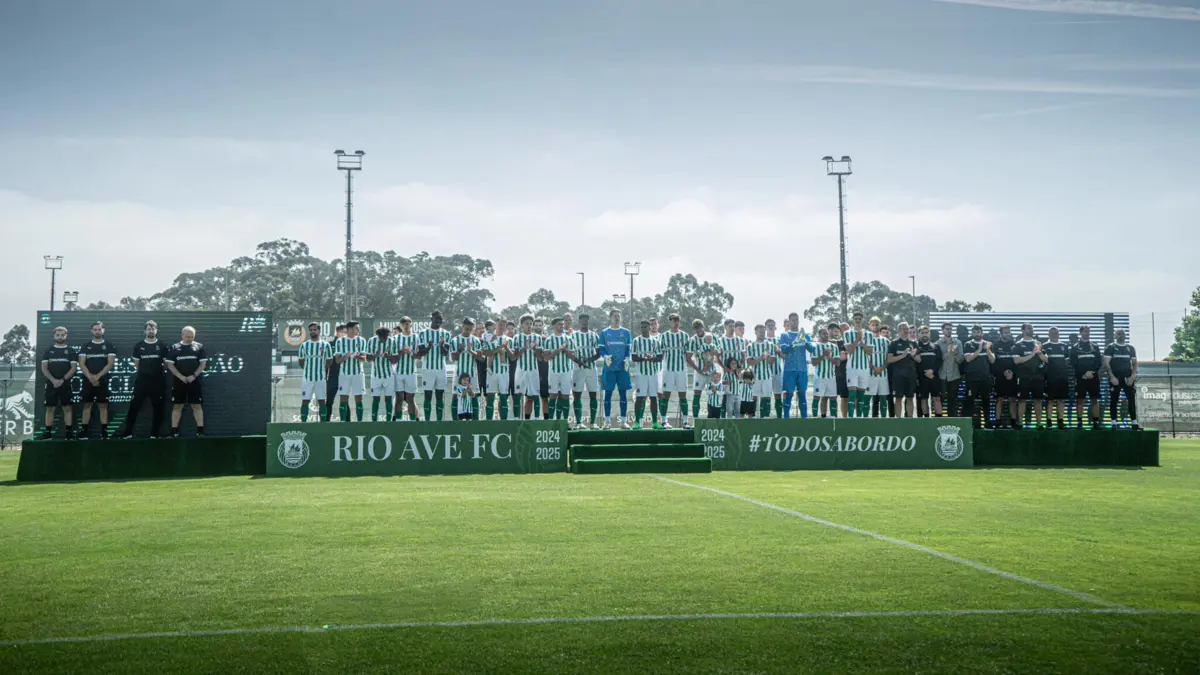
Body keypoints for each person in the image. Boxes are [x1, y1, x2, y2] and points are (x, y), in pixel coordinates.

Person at [121, 320, 170, 438]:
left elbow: (166, 364)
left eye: (153, 329)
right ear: (145, 331)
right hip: (142, 381)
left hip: (158, 381)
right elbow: (137, 364)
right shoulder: (139, 346)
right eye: (149, 329)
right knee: (134, 406)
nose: (151, 331)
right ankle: (128, 432)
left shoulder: (162, 345)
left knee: (158, 407)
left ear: (156, 330)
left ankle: (155, 434)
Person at [77, 321, 117, 439]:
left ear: (103, 330)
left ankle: (104, 431)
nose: (97, 331)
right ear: (91, 331)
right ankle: (84, 431)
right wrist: (90, 377)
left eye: (99, 329)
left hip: (103, 381)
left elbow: (110, 364)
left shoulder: (109, 345)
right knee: (87, 405)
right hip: (87, 380)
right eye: (95, 329)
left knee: (103, 406)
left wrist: (97, 377)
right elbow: (81, 363)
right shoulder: (86, 345)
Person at [165, 326, 207, 437]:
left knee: (196, 405)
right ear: (182, 335)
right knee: (177, 406)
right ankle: (174, 431)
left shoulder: (199, 347)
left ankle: (200, 431)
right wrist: (181, 377)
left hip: (194, 381)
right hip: (179, 382)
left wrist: (194, 375)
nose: (190, 339)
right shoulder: (174, 347)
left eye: (192, 336)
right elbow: (170, 364)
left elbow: (202, 364)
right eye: (188, 336)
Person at [39, 326, 78, 440]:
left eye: (62, 335)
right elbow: (44, 368)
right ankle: (48, 433)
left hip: (65, 384)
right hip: (52, 384)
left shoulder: (71, 351)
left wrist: (62, 380)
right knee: (50, 408)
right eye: (58, 335)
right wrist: (53, 380)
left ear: (66, 336)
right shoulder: (48, 351)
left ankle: (69, 433)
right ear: (54, 336)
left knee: (67, 408)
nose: (60, 337)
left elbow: (73, 368)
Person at [598, 309, 633, 429]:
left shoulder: (627, 332)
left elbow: (628, 349)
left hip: (623, 368)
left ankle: (623, 422)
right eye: (615, 316)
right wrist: (605, 356)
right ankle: (607, 422)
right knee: (608, 394)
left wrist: (627, 358)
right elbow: (601, 350)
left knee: (623, 394)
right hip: (609, 369)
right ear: (610, 317)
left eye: (619, 316)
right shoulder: (604, 332)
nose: (617, 318)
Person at [416, 311, 453, 422]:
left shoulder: (446, 334)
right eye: (436, 318)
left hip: (441, 369)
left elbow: (445, 353)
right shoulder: (423, 333)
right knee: (427, 395)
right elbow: (421, 352)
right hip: (428, 369)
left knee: (440, 395)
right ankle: (427, 421)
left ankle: (439, 421)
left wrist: (441, 345)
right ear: (431, 318)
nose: (438, 321)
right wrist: (429, 347)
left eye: (440, 319)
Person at [569, 314, 602, 428]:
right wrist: (577, 360)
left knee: (593, 394)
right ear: (579, 322)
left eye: (586, 320)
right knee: (577, 395)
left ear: (588, 322)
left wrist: (589, 359)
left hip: (591, 369)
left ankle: (592, 423)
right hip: (577, 369)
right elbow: (569, 353)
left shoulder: (594, 335)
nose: (584, 322)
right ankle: (579, 422)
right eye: (582, 320)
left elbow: (598, 353)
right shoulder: (573, 335)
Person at [296, 322, 333, 423]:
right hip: (307, 378)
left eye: (314, 330)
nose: (313, 331)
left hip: (320, 378)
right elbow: (301, 360)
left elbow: (329, 360)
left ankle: (323, 423)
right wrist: (307, 370)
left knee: (322, 401)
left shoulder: (325, 345)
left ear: (319, 331)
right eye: (311, 330)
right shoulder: (304, 345)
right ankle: (304, 423)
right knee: (305, 401)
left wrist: (322, 370)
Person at [779, 313, 814, 419]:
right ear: (789, 322)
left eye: (797, 320)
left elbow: (812, 349)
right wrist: (796, 341)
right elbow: (784, 350)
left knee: (802, 395)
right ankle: (786, 421)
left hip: (802, 370)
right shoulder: (785, 335)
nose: (795, 322)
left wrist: (804, 341)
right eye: (793, 320)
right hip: (789, 370)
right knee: (789, 395)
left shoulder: (805, 334)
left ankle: (805, 420)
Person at [630, 319, 664, 429]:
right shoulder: (636, 341)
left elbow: (660, 357)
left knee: (653, 398)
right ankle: (637, 422)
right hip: (641, 375)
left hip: (653, 374)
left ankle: (655, 422)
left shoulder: (655, 341)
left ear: (649, 328)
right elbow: (634, 357)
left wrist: (652, 358)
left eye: (645, 327)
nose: (643, 329)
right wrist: (644, 358)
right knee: (640, 398)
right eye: (642, 327)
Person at [658, 313, 690, 428]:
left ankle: (686, 422)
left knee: (683, 396)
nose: (676, 322)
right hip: (668, 370)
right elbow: (660, 354)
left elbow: (688, 354)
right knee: (665, 395)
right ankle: (663, 421)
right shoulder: (664, 336)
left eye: (677, 320)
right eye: (673, 320)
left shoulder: (685, 336)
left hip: (681, 370)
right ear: (669, 322)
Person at [1012, 323, 1047, 429]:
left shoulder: (1038, 344)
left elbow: (1046, 359)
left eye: (1032, 328)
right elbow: (1017, 360)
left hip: (1038, 377)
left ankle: (1039, 422)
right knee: (1022, 399)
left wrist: (1039, 353)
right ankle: (1020, 422)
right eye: (1028, 328)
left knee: (1038, 400)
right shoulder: (1018, 344)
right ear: (1022, 331)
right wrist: (1032, 355)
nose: (1031, 330)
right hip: (1024, 377)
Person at [541, 318, 576, 422]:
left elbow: (573, 356)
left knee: (565, 396)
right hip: (553, 372)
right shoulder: (549, 340)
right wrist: (559, 350)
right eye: (559, 324)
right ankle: (551, 421)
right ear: (553, 326)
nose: (561, 326)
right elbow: (546, 358)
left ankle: (564, 421)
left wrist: (564, 349)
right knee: (553, 395)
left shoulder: (568, 339)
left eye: (562, 324)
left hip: (566, 372)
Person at [1104, 328, 1139, 429]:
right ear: (1115, 336)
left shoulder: (1130, 348)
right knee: (1114, 399)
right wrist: (1112, 377)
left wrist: (1132, 377)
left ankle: (1134, 422)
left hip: (1127, 378)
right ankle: (1114, 422)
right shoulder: (1110, 347)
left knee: (1131, 399)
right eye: (1118, 334)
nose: (1121, 335)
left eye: (1122, 334)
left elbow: (1135, 364)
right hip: (1115, 378)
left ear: (1125, 335)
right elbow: (1106, 364)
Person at [961, 324, 995, 429]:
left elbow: (992, 360)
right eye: (975, 332)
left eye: (978, 331)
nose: (977, 333)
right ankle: (969, 424)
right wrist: (979, 350)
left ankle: (988, 423)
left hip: (985, 378)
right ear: (972, 333)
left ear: (982, 333)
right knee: (970, 401)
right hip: (972, 379)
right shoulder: (968, 344)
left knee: (986, 401)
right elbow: (968, 359)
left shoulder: (988, 344)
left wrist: (988, 350)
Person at [1070, 325, 1104, 429]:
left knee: (1094, 400)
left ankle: (1096, 422)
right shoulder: (1075, 347)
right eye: (1085, 331)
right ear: (1081, 333)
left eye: (1089, 331)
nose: (1087, 333)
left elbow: (1099, 361)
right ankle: (1080, 422)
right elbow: (1073, 363)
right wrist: (1083, 374)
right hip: (1081, 379)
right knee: (1080, 400)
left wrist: (1092, 372)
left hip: (1093, 378)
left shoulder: (1095, 346)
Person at [333, 321, 368, 422]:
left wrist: (357, 356)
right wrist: (345, 357)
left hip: (358, 373)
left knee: (359, 399)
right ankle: (343, 422)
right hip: (344, 374)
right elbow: (337, 360)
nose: (358, 330)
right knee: (343, 398)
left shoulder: (361, 340)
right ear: (349, 329)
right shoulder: (340, 341)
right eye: (356, 328)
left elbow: (364, 358)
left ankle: (359, 422)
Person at [509, 314, 543, 421]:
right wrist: (524, 348)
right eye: (526, 324)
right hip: (521, 370)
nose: (529, 326)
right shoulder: (517, 337)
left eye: (530, 324)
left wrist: (534, 349)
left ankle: (537, 418)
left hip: (533, 370)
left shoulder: (537, 338)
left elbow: (540, 358)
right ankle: (516, 419)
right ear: (521, 325)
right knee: (518, 394)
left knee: (535, 394)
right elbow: (514, 357)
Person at [388, 317, 421, 422]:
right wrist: (401, 352)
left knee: (410, 398)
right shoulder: (396, 338)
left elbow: (418, 356)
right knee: (399, 398)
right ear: (400, 325)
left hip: (411, 372)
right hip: (399, 372)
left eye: (407, 324)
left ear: (411, 324)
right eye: (403, 324)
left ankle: (412, 421)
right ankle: (398, 420)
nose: (406, 326)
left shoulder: (416, 337)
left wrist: (410, 352)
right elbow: (393, 358)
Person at [842, 311, 873, 418]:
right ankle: (851, 418)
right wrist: (857, 339)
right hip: (852, 368)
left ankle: (859, 418)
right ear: (853, 320)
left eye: (860, 318)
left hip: (864, 368)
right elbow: (849, 350)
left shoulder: (869, 334)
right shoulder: (847, 333)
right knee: (852, 394)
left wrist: (862, 342)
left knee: (861, 395)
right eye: (856, 319)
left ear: (863, 320)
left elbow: (870, 351)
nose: (858, 320)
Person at [450, 318, 483, 421]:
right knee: (456, 396)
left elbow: (481, 359)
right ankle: (455, 421)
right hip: (459, 374)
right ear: (462, 326)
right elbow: (453, 358)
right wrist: (460, 349)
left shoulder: (476, 340)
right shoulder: (455, 340)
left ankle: (475, 421)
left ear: (473, 328)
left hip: (472, 374)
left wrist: (471, 351)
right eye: (467, 326)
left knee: (474, 396)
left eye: (471, 327)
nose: (468, 328)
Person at [1041, 327, 1072, 429]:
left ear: (1059, 334)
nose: (1054, 334)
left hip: (1062, 377)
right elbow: (1043, 360)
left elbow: (1067, 361)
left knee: (1061, 400)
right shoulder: (1045, 346)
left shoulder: (1064, 346)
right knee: (1050, 400)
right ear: (1049, 334)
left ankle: (1060, 421)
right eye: (1052, 333)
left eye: (1056, 333)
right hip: (1050, 377)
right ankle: (1049, 422)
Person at [481, 320, 512, 421]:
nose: (502, 326)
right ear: (495, 326)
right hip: (491, 373)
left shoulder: (508, 339)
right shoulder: (488, 337)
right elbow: (484, 353)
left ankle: (503, 422)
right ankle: (489, 422)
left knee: (504, 398)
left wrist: (505, 348)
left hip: (504, 373)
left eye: (504, 324)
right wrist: (498, 349)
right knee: (490, 398)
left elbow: (513, 357)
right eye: (500, 324)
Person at [363, 326, 395, 422]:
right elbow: (368, 359)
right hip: (376, 376)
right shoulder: (371, 341)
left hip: (389, 375)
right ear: (378, 336)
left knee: (388, 399)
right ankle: (374, 421)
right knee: (375, 399)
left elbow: (396, 359)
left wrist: (388, 356)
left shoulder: (392, 341)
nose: (385, 339)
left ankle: (389, 421)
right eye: (383, 337)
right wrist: (376, 355)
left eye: (386, 336)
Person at [887, 322, 919, 418]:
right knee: (898, 398)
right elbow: (889, 359)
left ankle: (909, 420)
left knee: (910, 398)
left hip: (911, 375)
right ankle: (898, 420)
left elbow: (919, 359)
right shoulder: (894, 343)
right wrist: (903, 355)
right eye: (903, 329)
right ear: (899, 330)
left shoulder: (914, 343)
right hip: (898, 376)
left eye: (907, 328)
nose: (906, 330)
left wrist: (913, 355)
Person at [687, 320, 716, 422]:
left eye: (699, 327)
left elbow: (719, 351)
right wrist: (697, 370)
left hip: (712, 371)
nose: (698, 329)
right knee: (697, 394)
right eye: (696, 328)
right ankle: (695, 420)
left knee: (712, 394)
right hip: (700, 370)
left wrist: (714, 352)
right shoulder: (693, 340)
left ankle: (712, 419)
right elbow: (688, 357)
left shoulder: (711, 336)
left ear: (703, 327)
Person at [991, 325, 1019, 428]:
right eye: (1006, 332)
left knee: (1012, 399)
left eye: (1009, 332)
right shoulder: (995, 345)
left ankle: (1013, 422)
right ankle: (997, 422)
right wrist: (1003, 373)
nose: (1008, 334)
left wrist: (1012, 373)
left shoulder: (1014, 345)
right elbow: (993, 362)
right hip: (999, 377)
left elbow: (1017, 362)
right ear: (1001, 333)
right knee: (999, 399)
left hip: (1012, 376)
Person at [935, 322, 964, 418]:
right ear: (942, 330)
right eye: (947, 328)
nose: (949, 330)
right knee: (941, 399)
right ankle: (939, 420)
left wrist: (954, 353)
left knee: (953, 399)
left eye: (950, 329)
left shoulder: (958, 343)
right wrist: (948, 352)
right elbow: (937, 359)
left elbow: (960, 360)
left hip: (954, 375)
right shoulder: (937, 344)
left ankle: (952, 419)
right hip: (942, 375)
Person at [914, 326, 943, 418]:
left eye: (926, 333)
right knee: (923, 399)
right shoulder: (915, 347)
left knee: (937, 398)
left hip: (934, 377)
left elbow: (939, 361)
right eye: (922, 333)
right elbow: (915, 363)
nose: (924, 335)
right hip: (922, 379)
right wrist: (924, 373)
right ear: (918, 334)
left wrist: (932, 371)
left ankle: (939, 420)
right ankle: (926, 419)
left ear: (929, 334)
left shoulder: (936, 346)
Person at [747, 324, 775, 418]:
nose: (762, 333)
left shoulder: (770, 344)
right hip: (755, 376)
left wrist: (767, 358)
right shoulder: (751, 346)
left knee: (766, 397)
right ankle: (752, 418)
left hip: (767, 376)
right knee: (754, 397)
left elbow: (772, 362)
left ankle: (765, 417)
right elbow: (749, 362)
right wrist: (760, 358)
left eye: (764, 332)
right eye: (760, 332)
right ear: (755, 332)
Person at [812, 327, 841, 418]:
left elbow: (837, 363)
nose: (826, 335)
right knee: (817, 397)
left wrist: (829, 357)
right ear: (819, 335)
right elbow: (813, 363)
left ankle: (833, 418)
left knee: (833, 398)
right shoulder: (815, 346)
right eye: (823, 333)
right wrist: (823, 356)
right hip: (819, 377)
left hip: (831, 377)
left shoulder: (834, 346)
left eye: (826, 333)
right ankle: (815, 417)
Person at [867, 320, 891, 418]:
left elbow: (888, 358)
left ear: (879, 325)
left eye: (877, 324)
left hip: (883, 373)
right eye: (873, 325)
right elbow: (865, 357)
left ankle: (884, 419)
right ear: (870, 326)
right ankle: (868, 419)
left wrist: (881, 368)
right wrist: (873, 368)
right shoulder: (867, 340)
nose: (875, 326)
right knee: (868, 398)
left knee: (883, 398)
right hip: (870, 374)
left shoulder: (886, 341)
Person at [322, 325, 346, 422]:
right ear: (338, 332)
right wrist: (324, 377)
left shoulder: (347, 344)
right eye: (343, 332)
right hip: (332, 377)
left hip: (345, 377)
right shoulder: (330, 344)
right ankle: (325, 423)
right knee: (329, 401)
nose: (345, 334)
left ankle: (346, 423)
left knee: (345, 401)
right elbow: (326, 362)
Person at [764, 318, 785, 419]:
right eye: (769, 325)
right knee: (766, 396)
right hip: (765, 373)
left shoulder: (779, 340)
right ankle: (766, 417)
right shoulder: (763, 341)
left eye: (773, 325)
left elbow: (783, 356)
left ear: (775, 327)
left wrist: (778, 351)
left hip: (777, 372)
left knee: (778, 395)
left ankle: (779, 417)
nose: (771, 327)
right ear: (765, 328)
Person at [830, 323, 850, 418]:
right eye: (843, 329)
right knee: (838, 397)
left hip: (851, 373)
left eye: (847, 328)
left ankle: (849, 418)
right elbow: (841, 357)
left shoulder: (853, 341)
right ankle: (839, 418)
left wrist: (846, 354)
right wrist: (846, 354)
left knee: (849, 398)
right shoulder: (838, 343)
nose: (846, 331)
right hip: (839, 373)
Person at [533, 316, 550, 419]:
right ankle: (535, 418)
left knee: (545, 397)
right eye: (536, 325)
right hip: (532, 369)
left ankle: (546, 418)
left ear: (543, 326)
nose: (538, 327)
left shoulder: (546, 339)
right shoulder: (528, 338)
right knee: (532, 396)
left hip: (544, 370)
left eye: (540, 325)